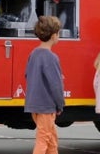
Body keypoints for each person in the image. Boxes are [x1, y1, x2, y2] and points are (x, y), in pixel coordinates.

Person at [24, 16, 65, 154]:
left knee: (51, 139)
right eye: (59, 33)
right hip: (46, 106)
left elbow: (27, 75)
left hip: (34, 104)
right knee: (44, 139)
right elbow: (56, 85)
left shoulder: (33, 54)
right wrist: (60, 104)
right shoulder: (51, 57)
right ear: (54, 35)